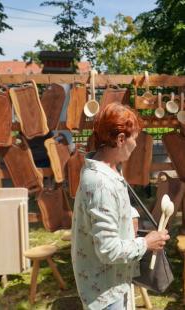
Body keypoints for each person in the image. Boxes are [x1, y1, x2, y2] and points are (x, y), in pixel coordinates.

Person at [71, 103, 170, 310]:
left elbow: (109, 206)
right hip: (105, 293)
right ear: (121, 139)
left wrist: (131, 214)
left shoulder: (107, 169)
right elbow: (108, 250)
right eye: (135, 138)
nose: (136, 144)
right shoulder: (101, 183)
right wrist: (146, 243)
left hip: (114, 281)